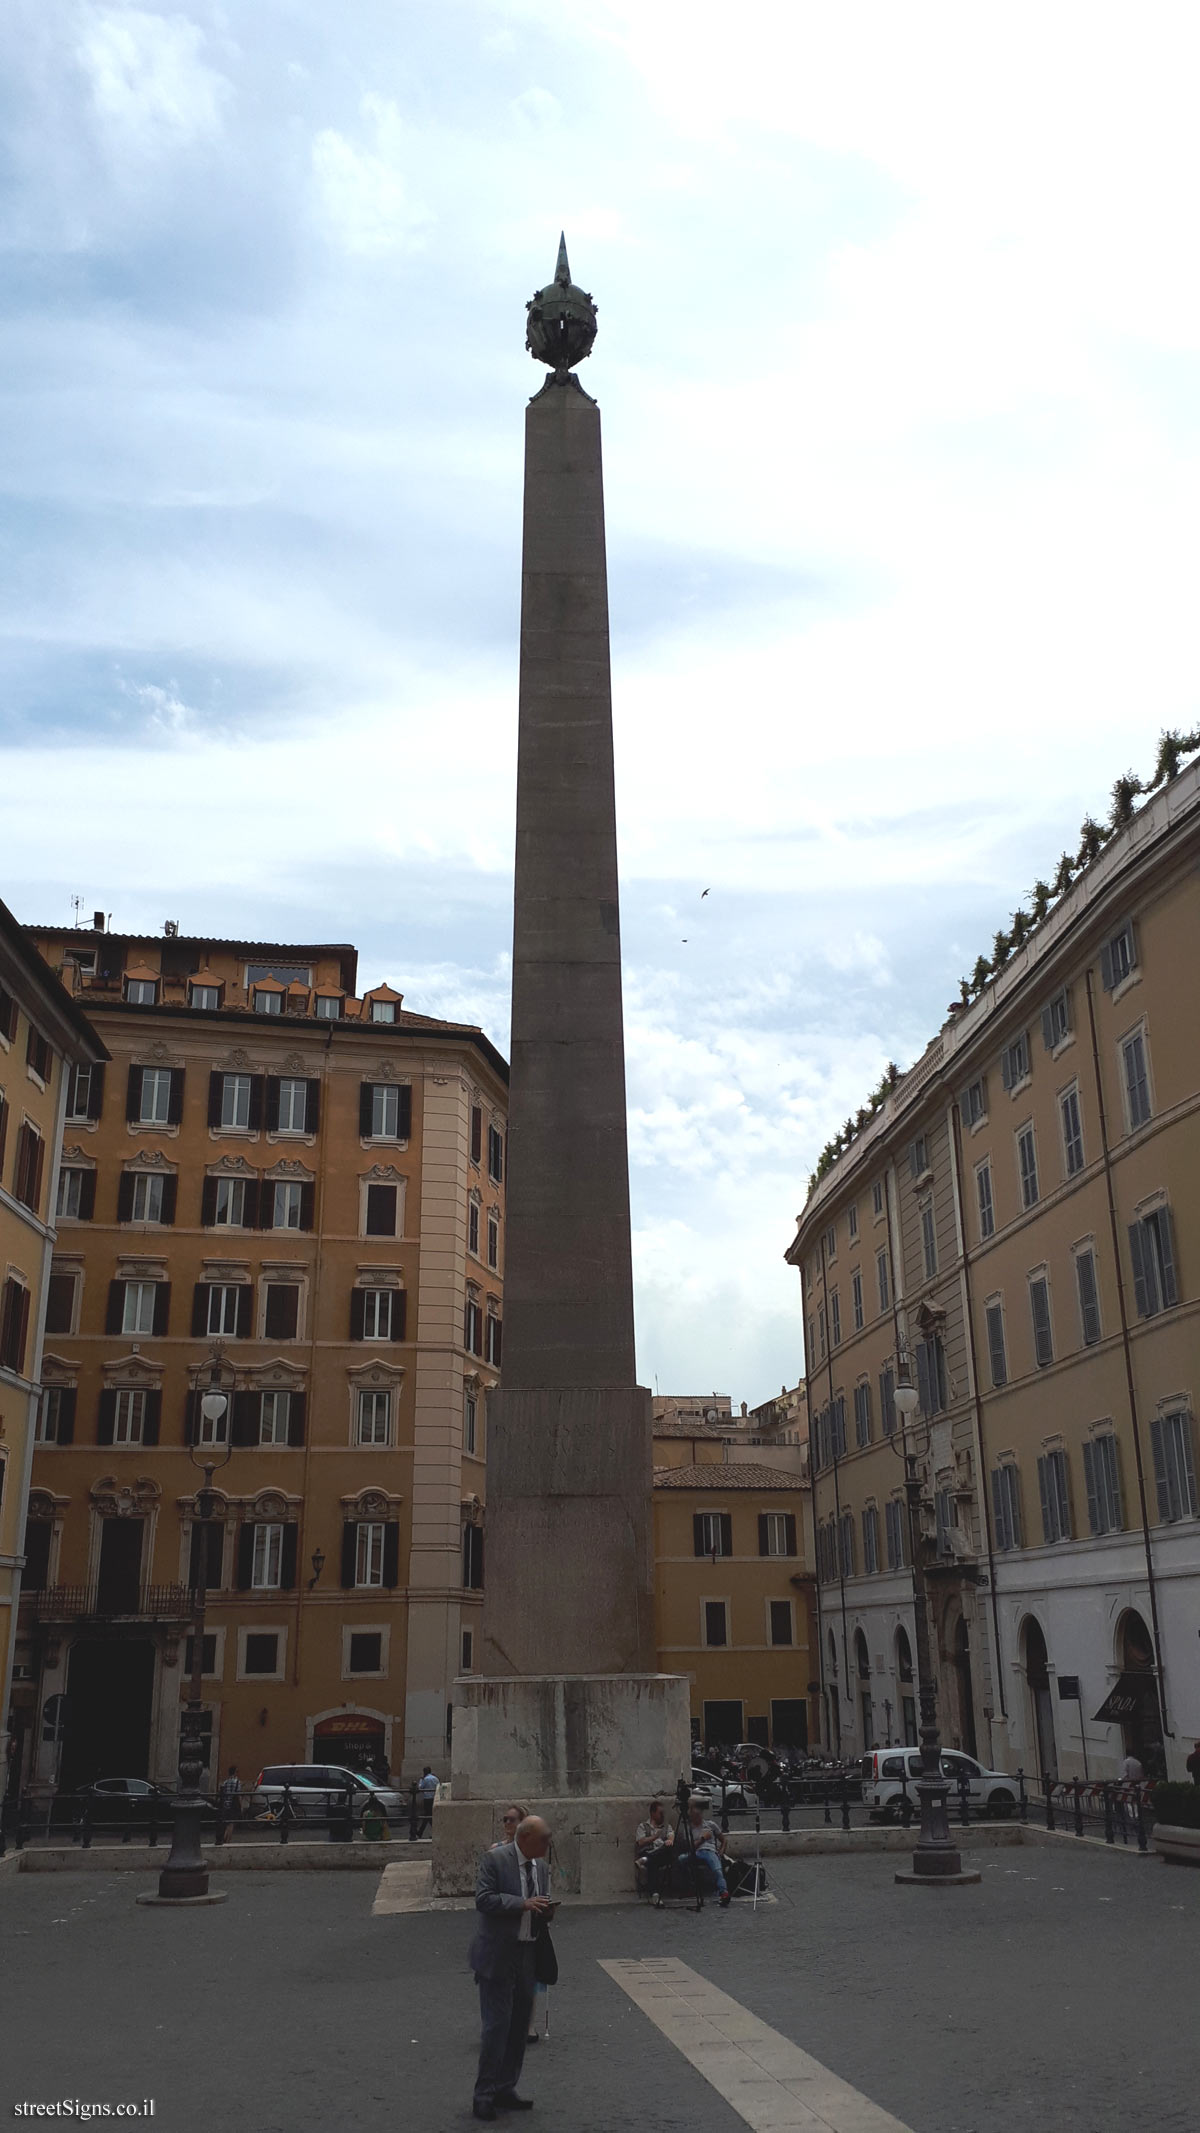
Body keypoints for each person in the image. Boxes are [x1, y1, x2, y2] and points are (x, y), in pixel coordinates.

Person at [468, 1813, 554, 2120]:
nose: (548, 1844)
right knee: (496, 2027)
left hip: (528, 1952)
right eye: (544, 1838)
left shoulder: (541, 1867)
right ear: (526, 1837)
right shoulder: (495, 1860)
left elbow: (540, 1905)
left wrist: (546, 1910)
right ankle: (484, 2094)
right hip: (498, 1954)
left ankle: (506, 2087)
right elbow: (484, 1899)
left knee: (519, 2028)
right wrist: (522, 1903)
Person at [685, 1795, 731, 1906]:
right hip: (696, 1851)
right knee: (682, 1859)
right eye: (695, 1816)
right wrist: (703, 1838)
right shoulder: (689, 1829)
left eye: (698, 1815)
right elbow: (690, 1847)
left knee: (717, 1870)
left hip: (710, 1851)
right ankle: (692, 1886)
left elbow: (724, 1840)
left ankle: (724, 1892)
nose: (697, 1818)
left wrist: (721, 1850)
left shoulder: (710, 1825)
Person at [635, 1798, 674, 1901]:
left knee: (668, 1848)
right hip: (649, 1852)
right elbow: (640, 1842)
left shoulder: (666, 1826)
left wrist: (670, 1840)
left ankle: (644, 1859)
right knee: (653, 1863)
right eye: (660, 1813)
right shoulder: (643, 1826)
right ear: (652, 1813)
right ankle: (655, 1895)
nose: (662, 1815)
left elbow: (671, 1835)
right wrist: (654, 1837)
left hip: (662, 1855)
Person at [216, 1765, 241, 1844]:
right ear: (235, 1772)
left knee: (226, 1823)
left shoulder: (225, 1782)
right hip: (233, 1805)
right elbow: (238, 1794)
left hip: (225, 1804)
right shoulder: (237, 1782)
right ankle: (227, 1840)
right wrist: (241, 1805)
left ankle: (223, 1838)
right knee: (231, 1824)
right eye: (237, 1771)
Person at [414, 1765, 439, 1835]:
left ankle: (435, 1831)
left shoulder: (426, 1779)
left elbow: (420, 1788)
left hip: (427, 1799)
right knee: (428, 1815)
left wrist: (421, 1780)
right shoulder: (436, 1778)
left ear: (424, 1772)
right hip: (434, 1798)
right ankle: (421, 1832)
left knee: (428, 1815)